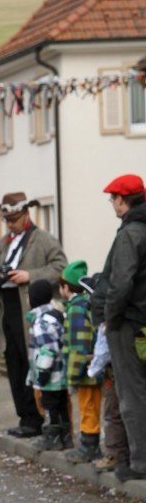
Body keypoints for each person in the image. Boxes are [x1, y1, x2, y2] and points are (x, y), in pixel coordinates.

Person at [0, 192, 67, 437]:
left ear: (26, 215)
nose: (10, 225)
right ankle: (25, 417)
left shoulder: (43, 239)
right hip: (8, 307)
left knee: (33, 363)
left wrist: (30, 275)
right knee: (14, 364)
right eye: (7, 220)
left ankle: (37, 419)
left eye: (14, 220)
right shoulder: (5, 241)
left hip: (29, 309)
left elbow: (61, 266)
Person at [91, 174, 146, 482]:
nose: (111, 203)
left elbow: (121, 281)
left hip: (129, 325)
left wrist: (109, 317)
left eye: (112, 198)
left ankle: (139, 463)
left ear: (123, 200)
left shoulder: (131, 233)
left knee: (132, 395)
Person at [59, 261, 102, 464]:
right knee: (91, 406)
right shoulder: (88, 303)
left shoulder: (76, 308)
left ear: (67, 287)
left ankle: (90, 446)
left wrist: (73, 373)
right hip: (92, 367)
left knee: (88, 408)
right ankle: (89, 442)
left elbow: (78, 343)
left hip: (85, 370)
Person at [26, 279, 71, 450]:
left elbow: (47, 349)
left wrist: (42, 372)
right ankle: (65, 436)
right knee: (61, 405)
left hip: (51, 375)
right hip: (61, 372)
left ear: (33, 299)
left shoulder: (41, 321)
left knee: (50, 405)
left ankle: (52, 437)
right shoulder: (55, 314)